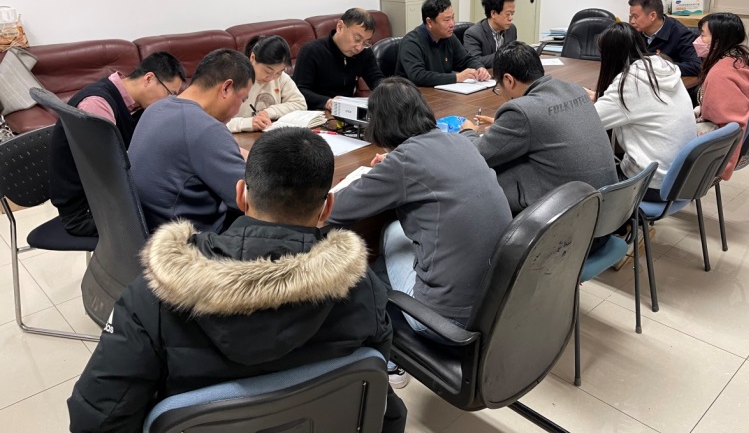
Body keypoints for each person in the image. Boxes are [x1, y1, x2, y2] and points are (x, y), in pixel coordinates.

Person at [67, 128, 407, 433]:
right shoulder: (363, 288)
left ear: (241, 194)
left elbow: (95, 420)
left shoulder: (155, 296)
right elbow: (378, 402)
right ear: (327, 207)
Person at [328, 77, 511, 387]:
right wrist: (394, 166)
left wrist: (389, 171)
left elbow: (336, 209)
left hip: (446, 321)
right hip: (496, 304)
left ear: (380, 124)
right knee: (398, 231)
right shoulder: (458, 141)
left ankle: (390, 359)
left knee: (379, 242)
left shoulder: (404, 162)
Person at [459, 43, 617, 250]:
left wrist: (468, 132)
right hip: (606, 220)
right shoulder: (575, 90)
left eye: (499, 87)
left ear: (508, 80)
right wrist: (505, 129)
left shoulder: (521, 111)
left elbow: (476, 155)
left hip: (569, 237)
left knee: (480, 178)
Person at [49, 52, 186, 237]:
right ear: (149, 79)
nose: (169, 101)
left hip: (105, 201)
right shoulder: (97, 104)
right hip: (86, 213)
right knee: (177, 220)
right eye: (170, 94)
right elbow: (110, 172)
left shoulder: (136, 105)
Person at [129, 49, 254, 234]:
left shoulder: (156, 108)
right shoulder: (207, 129)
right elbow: (251, 200)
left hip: (148, 232)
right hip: (187, 243)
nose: (237, 111)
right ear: (226, 88)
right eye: (242, 99)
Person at [587, 23, 697, 200]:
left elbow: (588, 122)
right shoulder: (662, 67)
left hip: (652, 184)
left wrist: (579, 101)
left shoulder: (629, 83)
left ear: (610, 56)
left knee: (582, 175)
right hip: (683, 179)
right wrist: (602, 98)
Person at [695, 12, 749, 180]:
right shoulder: (737, 60)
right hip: (745, 139)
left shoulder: (720, 74)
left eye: (703, 35)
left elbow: (731, 125)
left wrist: (726, 165)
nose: (698, 40)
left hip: (728, 144)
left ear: (718, 41)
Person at [292, 8, 384, 111]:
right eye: (357, 39)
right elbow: (299, 90)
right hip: (316, 112)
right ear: (340, 27)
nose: (359, 48)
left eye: (366, 42)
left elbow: (376, 80)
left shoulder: (364, 52)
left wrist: (390, 89)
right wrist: (327, 102)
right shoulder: (311, 50)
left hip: (347, 112)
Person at [396, 0, 490, 86]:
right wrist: (457, 77)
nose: (452, 24)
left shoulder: (449, 36)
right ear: (429, 22)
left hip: (441, 91)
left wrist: (479, 68)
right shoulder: (411, 42)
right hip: (412, 93)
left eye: (452, 17)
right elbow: (418, 76)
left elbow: (465, 59)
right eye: (446, 20)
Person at [226, 35, 306, 132]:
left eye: (279, 72)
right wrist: (247, 123)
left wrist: (269, 112)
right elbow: (214, 122)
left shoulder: (281, 77)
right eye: (268, 71)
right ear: (252, 58)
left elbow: (300, 104)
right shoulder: (232, 79)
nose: (271, 78)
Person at [627, 0, 702, 78]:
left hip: (668, 82)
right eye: (631, 16)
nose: (632, 21)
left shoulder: (680, 34)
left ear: (652, 16)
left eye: (635, 17)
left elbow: (696, 66)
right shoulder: (633, 32)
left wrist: (660, 67)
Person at [463, 0, 518, 67]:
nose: (511, 18)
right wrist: (505, 54)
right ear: (493, 13)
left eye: (512, 14)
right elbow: (474, 61)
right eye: (508, 14)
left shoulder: (511, 29)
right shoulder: (473, 34)